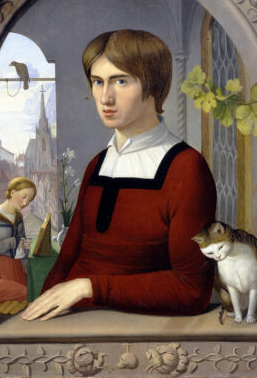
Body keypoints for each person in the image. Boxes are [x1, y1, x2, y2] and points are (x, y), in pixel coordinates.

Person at [22, 29, 216, 321]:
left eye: (121, 81)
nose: (105, 97)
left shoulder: (186, 168)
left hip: (133, 328)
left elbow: (191, 290)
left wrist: (90, 286)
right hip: (70, 322)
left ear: (154, 86)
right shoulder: (98, 163)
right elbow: (66, 262)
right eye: (98, 82)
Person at [0, 177, 35, 306]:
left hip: (16, 271)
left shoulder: (18, 218)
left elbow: (21, 250)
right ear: (12, 192)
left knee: (33, 295)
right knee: (23, 294)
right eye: (23, 196)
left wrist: (25, 247)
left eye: (29, 200)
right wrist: (11, 242)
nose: (25, 203)